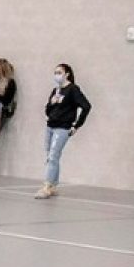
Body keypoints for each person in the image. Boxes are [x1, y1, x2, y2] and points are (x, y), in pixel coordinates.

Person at [37, 63, 92, 199]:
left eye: (59, 72)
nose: (57, 75)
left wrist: (76, 125)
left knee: (53, 156)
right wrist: (52, 103)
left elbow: (86, 106)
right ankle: (54, 185)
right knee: (51, 155)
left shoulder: (73, 89)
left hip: (63, 127)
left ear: (67, 74)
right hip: (50, 125)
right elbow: (47, 110)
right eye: (55, 72)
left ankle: (47, 186)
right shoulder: (55, 91)